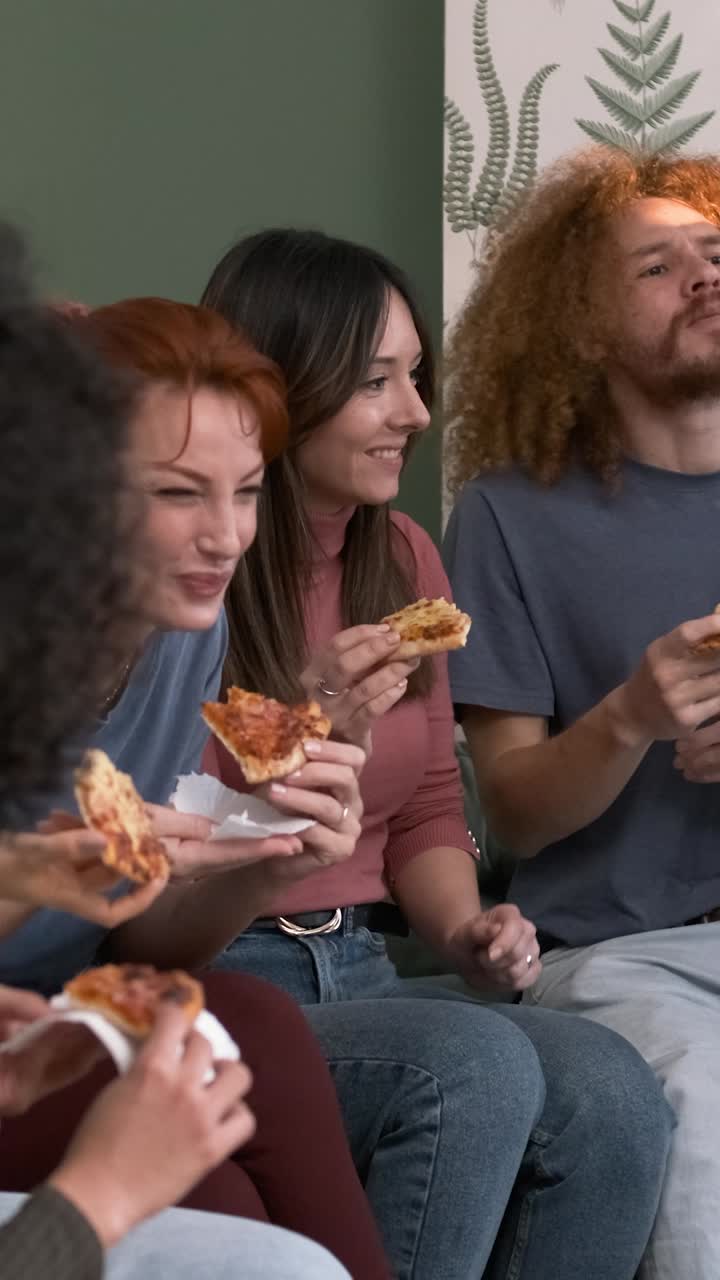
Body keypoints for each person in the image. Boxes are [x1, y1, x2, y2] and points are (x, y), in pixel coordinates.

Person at [198, 227, 674, 1279]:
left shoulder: (406, 557)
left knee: (612, 1088)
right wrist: (306, 722)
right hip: (226, 971)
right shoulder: (193, 564)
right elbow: (160, 818)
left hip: (365, 964)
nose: (416, 414)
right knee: (472, 1066)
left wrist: (467, 931)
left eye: (415, 377)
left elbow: (422, 806)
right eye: (377, 383)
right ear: (280, 388)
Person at [0, 292, 388, 1280]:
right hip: (24, 1048)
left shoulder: (185, 631)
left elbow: (139, 940)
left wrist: (268, 858)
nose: (226, 536)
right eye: (178, 494)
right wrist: (41, 870)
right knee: (237, 1091)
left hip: (66, 1017)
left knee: (242, 1045)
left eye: (247, 491)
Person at [442, 145, 720, 1280]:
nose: (704, 275)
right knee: (703, 1151)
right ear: (584, 329)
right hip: (622, 957)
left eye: (714, 253)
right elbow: (512, 812)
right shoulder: (507, 518)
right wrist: (633, 716)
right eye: (658, 267)